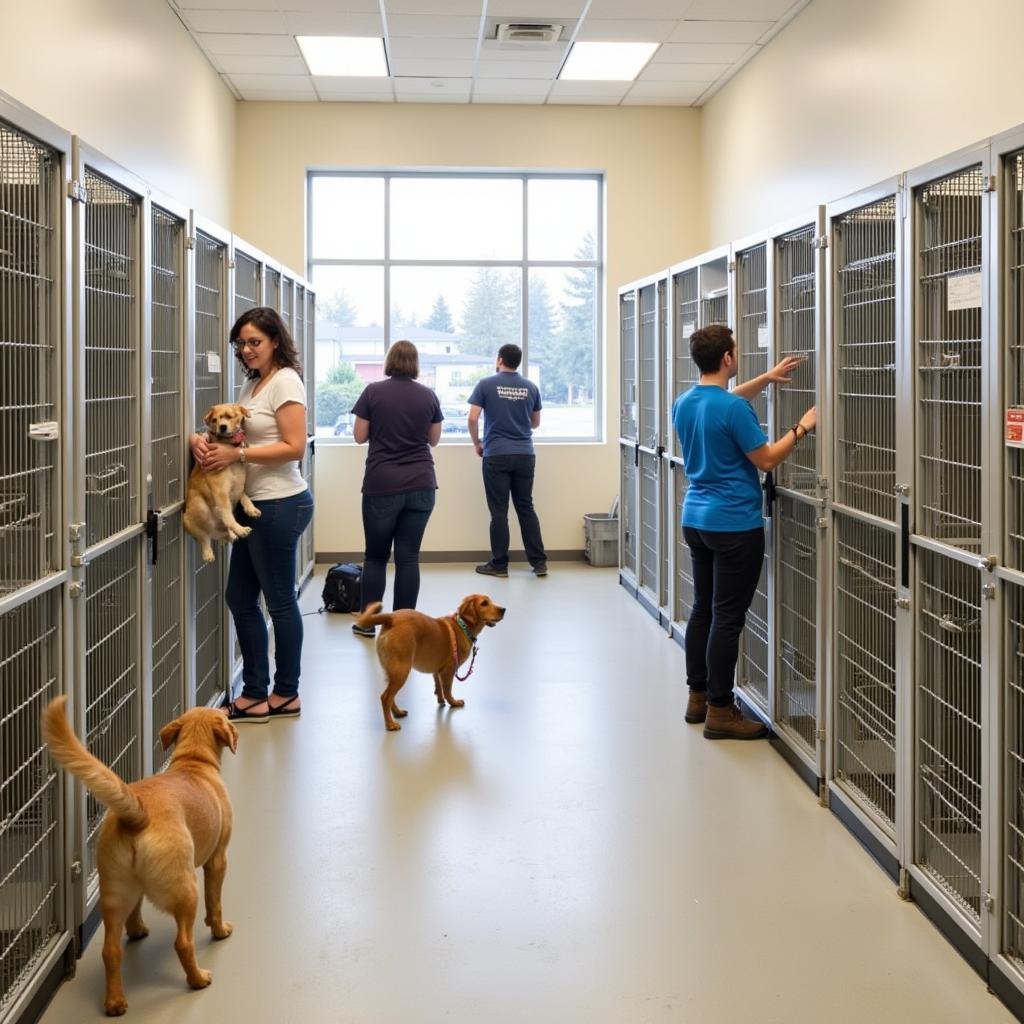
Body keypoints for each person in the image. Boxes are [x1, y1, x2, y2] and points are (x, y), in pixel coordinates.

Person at [673, 324, 816, 740]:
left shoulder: (685, 401)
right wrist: (803, 426)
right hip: (735, 524)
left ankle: (697, 697)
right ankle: (721, 710)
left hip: (696, 519)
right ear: (728, 359)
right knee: (727, 619)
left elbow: (724, 403)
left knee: (702, 609)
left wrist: (767, 378)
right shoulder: (733, 409)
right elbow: (767, 459)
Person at [191, 307, 313, 723]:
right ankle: (256, 691)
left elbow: (295, 445)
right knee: (240, 598)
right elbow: (233, 432)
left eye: (254, 342)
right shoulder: (253, 385)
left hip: (280, 503)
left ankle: (284, 693)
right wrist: (200, 440)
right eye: (240, 343)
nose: (246, 350)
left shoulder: (285, 381)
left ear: (275, 340)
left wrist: (237, 452)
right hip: (256, 505)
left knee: (279, 602)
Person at [350, 340, 443, 637]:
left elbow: (359, 437)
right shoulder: (428, 396)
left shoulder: (373, 392)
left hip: (382, 484)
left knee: (376, 556)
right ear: (415, 364)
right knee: (408, 557)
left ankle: (368, 624)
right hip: (422, 485)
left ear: (390, 361)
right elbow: (434, 440)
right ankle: (404, 628)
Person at [467, 343, 548, 578]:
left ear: (500, 359)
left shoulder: (486, 384)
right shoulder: (531, 387)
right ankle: (539, 563)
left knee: (499, 511)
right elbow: (535, 423)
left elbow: (472, 418)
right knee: (526, 507)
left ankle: (500, 565)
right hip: (524, 454)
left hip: (496, 455)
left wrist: (476, 443)